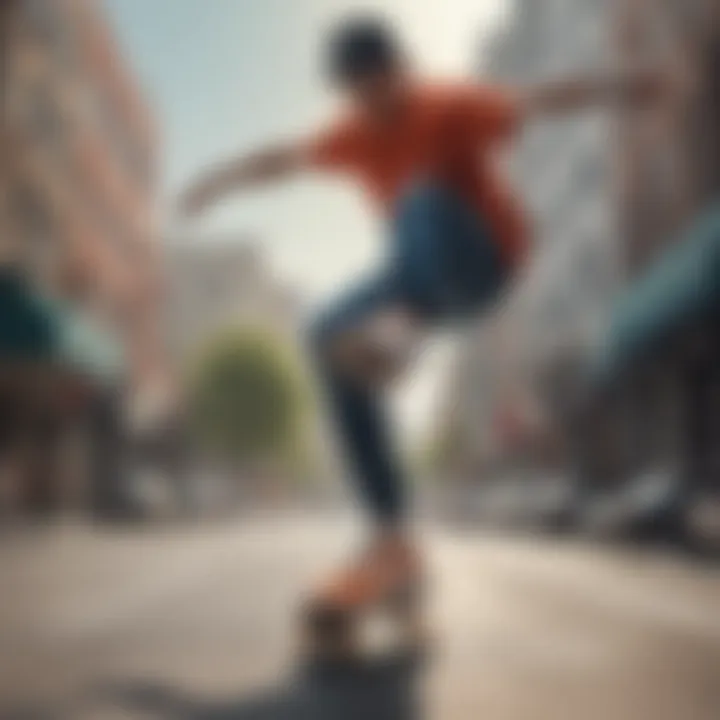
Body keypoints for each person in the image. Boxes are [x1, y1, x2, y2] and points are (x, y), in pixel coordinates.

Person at [178, 16, 674, 618]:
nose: (374, 102)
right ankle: (392, 540)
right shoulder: (352, 135)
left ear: (402, 71)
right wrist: (216, 181)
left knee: (419, 201)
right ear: (346, 92)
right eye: (358, 93)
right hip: (419, 280)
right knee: (325, 337)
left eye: (381, 85)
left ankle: (399, 337)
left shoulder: (449, 106)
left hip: (483, 261)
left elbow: (544, 98)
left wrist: (626, 86)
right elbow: (282, 160)